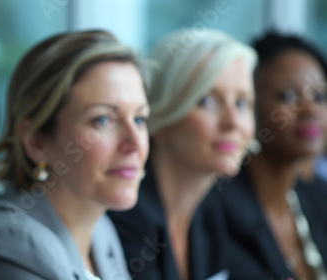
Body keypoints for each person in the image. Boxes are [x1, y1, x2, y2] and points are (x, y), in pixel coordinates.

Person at [0, 30, 150, 280]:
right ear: (37, 141)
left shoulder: (100, 230)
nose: (134, 142)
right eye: (103, 120)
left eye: (139, 118)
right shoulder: (9, 246)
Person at [108, 28, 257, 280]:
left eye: (242, 103)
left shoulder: (208, 209)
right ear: (160, 116)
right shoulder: (127, 216)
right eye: (207, 101)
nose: (233, 122)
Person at [219, 31, 327, 280]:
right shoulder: (219, 208)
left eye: (319, 96)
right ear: (249, 103)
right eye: (288, 96)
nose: (309, 109)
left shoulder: (318, 198)